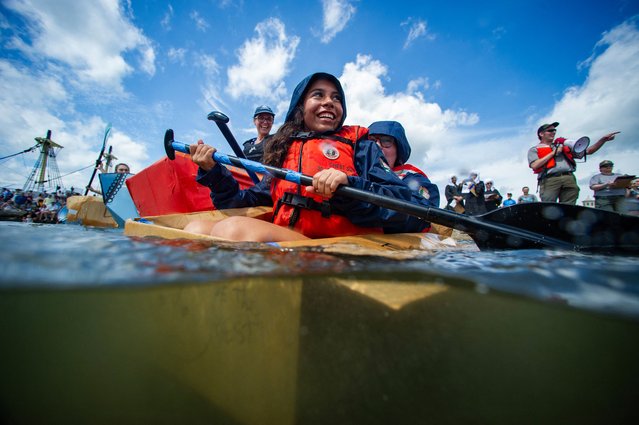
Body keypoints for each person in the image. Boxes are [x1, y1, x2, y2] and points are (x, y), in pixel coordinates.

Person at [185, 72, 433, 242]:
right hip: (297, 241)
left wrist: (349, 185)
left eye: (336, 98)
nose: (329, 102)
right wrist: (213, 172)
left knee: (233, 230)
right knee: (195, 229)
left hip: (348, 245)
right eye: (319, 95)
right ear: (300, 107)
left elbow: (407, 208)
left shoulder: (362, 146)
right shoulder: (286, 149)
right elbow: (240, 202)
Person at [367, 120, 440, 233]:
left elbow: (419, 214)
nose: (377, 146)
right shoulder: (352, 172)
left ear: (398, 149)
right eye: (371, 141)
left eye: (386, 141)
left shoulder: (412, 177)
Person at [528, 121, 619, 204]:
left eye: (554, 130)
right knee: (549, 206)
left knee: (569, 206)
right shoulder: (534, 149)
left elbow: (589, 151)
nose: (553, 132)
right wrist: (554, 153)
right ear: (541, 134)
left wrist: (603, 140)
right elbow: (535, 165)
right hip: (549, 179)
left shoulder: (564, 146)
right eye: (550, 130)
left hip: (569, 178)